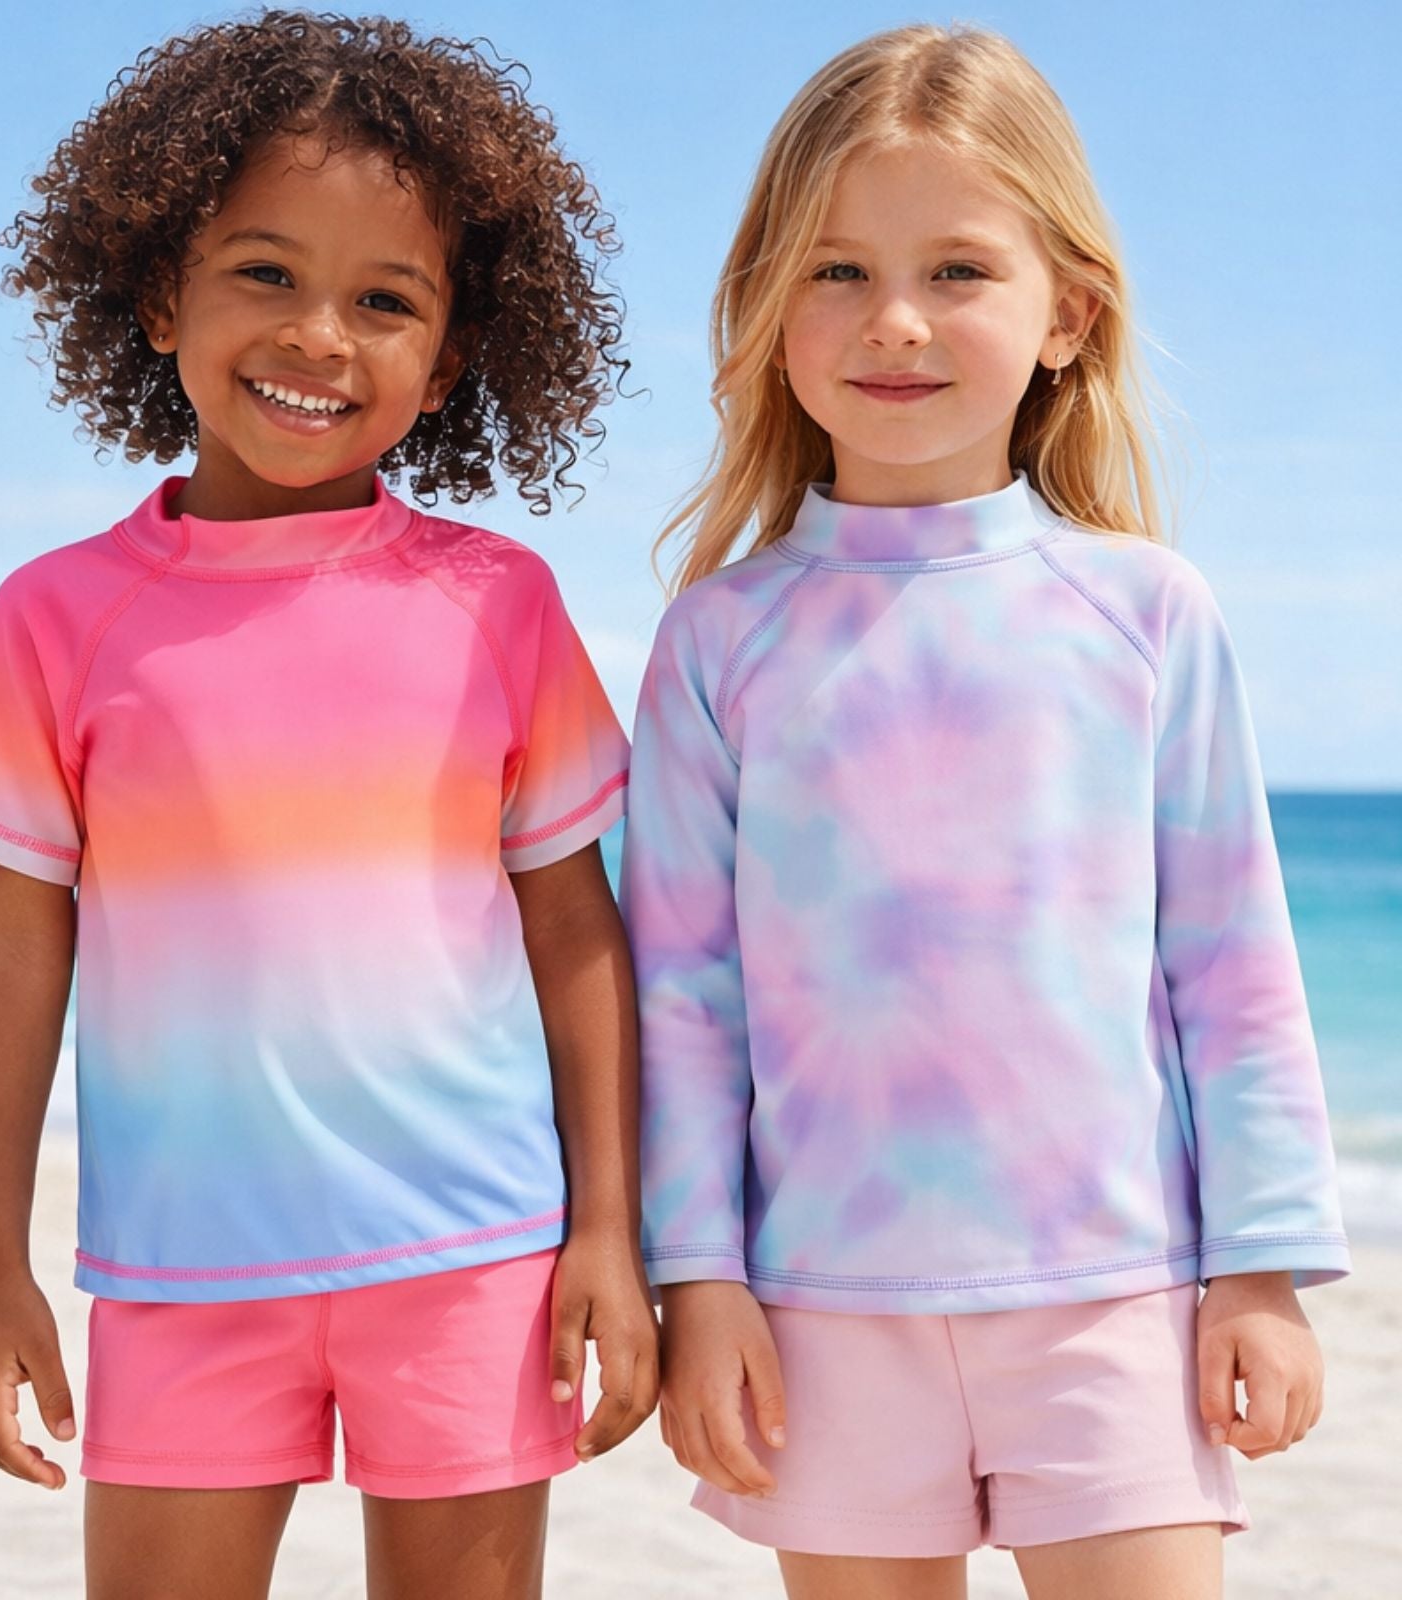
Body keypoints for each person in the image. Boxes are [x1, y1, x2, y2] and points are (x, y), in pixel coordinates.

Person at [0, 12, 656, 1597]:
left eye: (385, 300)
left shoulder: (499, 603)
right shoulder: (57, 617)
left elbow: (573, 925)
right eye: (265, 272)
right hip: (177, 1272)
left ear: (447, 361)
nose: (320, 335)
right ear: (159, 292)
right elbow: (12, 950)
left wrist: (608, 1225)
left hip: (473, 1258)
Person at [621, 23, 1348, 1600]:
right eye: (836, 272)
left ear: (1067, 314)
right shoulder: (718, 641)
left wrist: (1261, 1270)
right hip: (817, 1314)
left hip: (1116, 1306)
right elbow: (681, 998)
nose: (896, 320)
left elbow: (1230, 970)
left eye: (958, 271)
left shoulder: (1146, 613)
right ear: (767, 311)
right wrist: (700, 1279)